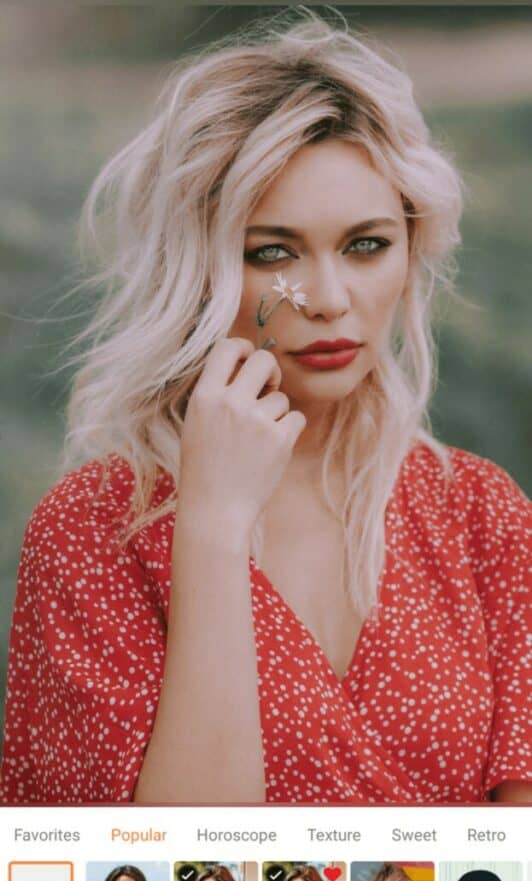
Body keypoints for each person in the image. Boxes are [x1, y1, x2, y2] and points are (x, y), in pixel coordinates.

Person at [1, 11, 531, 806]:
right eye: (271, 252)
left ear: (413, 248)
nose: (326, 299)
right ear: (200, 267)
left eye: (366, 245)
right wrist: (211, 529)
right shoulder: (89, 535)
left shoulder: (482, 518)